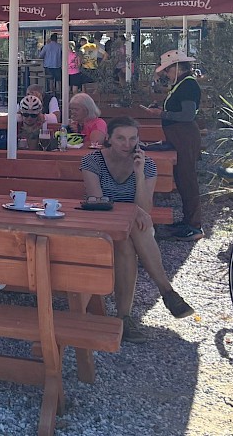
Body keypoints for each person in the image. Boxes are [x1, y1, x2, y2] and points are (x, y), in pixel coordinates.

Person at [81, 117, 194, 342]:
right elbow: (97, 201)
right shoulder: (92, 161)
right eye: (120, 138)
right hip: (100, 223)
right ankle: (166, 292)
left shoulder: (147, 164)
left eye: (133, 138)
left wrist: (139, 174)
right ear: (109, 139)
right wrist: (130, 212)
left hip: (131, 228)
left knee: (126, 240)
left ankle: (125, 317)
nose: (127, 143)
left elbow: (145, 208)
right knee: (130, 228)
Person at [155, 50, 203, 241]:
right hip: (178, 136)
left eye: (167, 70)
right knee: (182, 180)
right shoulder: (183, 84)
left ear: (177, 67)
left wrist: (162, 114)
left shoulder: (188, 85)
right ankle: (188, 221)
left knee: (188, 180)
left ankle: (194, 225)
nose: (166, 74)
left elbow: (188, 115)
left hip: (185, 136)